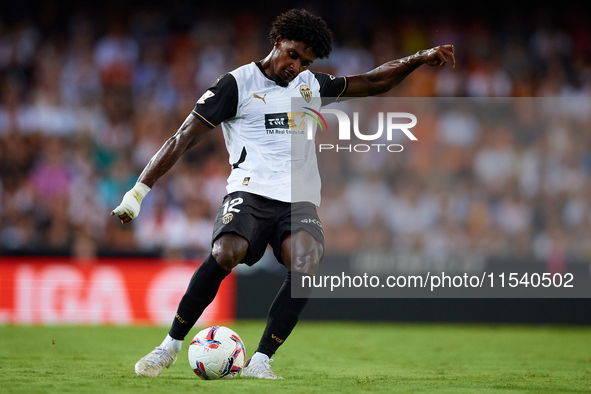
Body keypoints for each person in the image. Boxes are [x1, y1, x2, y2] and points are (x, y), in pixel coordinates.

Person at [112, 8, 455, 379]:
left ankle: (261, 360)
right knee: (227, 252)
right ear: (278, 42)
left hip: (298, 199)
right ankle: (169, 346)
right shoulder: (236, 84)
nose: (296, 66)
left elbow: (373, 82)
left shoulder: (311, 85)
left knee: (305, 263)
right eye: (293, 55)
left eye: (305, 61)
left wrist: (417, 58)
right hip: (249, 192)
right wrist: (137, 193)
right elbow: (182, 138)